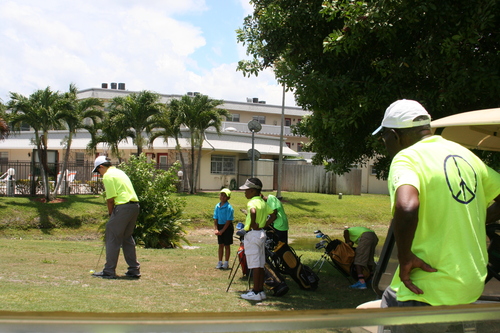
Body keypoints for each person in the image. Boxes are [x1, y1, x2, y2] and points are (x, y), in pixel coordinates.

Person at [372, 99, 500, 307]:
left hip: (426, 287)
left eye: (384, 136)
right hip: (469, 286)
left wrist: (405, 259)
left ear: (395, 135)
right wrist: (476, 218)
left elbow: (407, 207)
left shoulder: (407, 158)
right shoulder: (466, 155)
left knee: (391, 301)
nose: (384, 142)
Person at [91, 156, 141, 279]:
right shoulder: (119, 172)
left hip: (122, 207)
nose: (99, 174)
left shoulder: (108, 175)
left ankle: (109, 271)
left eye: (98, 171)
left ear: (101, 166)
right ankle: (134, 270)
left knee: (112, 237)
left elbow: (110, 199)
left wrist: (111, 214)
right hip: (134, 206)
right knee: (126, 238)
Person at [239, 178, 274, 301]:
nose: (245, 192)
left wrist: (253, 223)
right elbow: (274, 213)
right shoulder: (263, 202)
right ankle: (260, 291)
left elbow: (252, 211)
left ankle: (255, 292)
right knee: (259, 264)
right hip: (261, 233)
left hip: (253, 234)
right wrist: (264, 224)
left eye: (246, 190)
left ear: (253, 191)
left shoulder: (252, 202)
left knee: (254, 265)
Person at [213, 188, 234, 270]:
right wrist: (216, 229)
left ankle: (226, 262)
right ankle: (219, 261)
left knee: (227, 245)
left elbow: (229, 220)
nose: (222, 197)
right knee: (220, 244)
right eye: (221, 195)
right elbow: (215, 218)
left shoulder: (229, 207)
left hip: (227, 227)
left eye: (225, 196)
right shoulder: (217, 206)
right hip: (220, 226)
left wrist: (222, 230)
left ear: (228, 198)